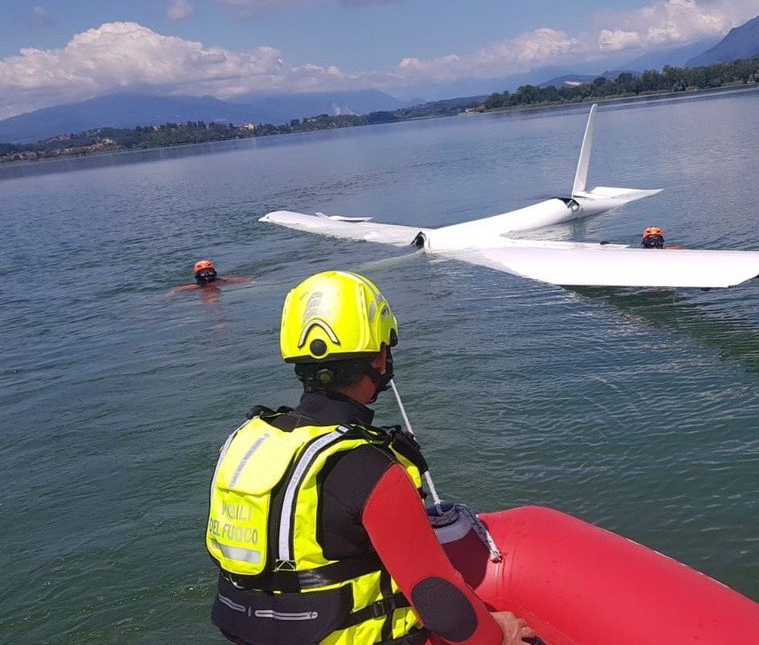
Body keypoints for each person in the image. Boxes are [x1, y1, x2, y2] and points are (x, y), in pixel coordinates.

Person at [206, 271, 534, 645]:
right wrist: (500, 634)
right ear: (380, 359)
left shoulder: (243, 441)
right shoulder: (369, 467)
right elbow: (443, 608)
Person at [169, 260, 251, 296]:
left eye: (209, 271)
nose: (207, 275)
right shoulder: (196, 286)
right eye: (203, 273)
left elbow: (245, 279)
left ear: (214, 272)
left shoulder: (222, 280)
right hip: (206, 292)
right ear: (198, 275)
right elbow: (177, 289)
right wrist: (172, 293)